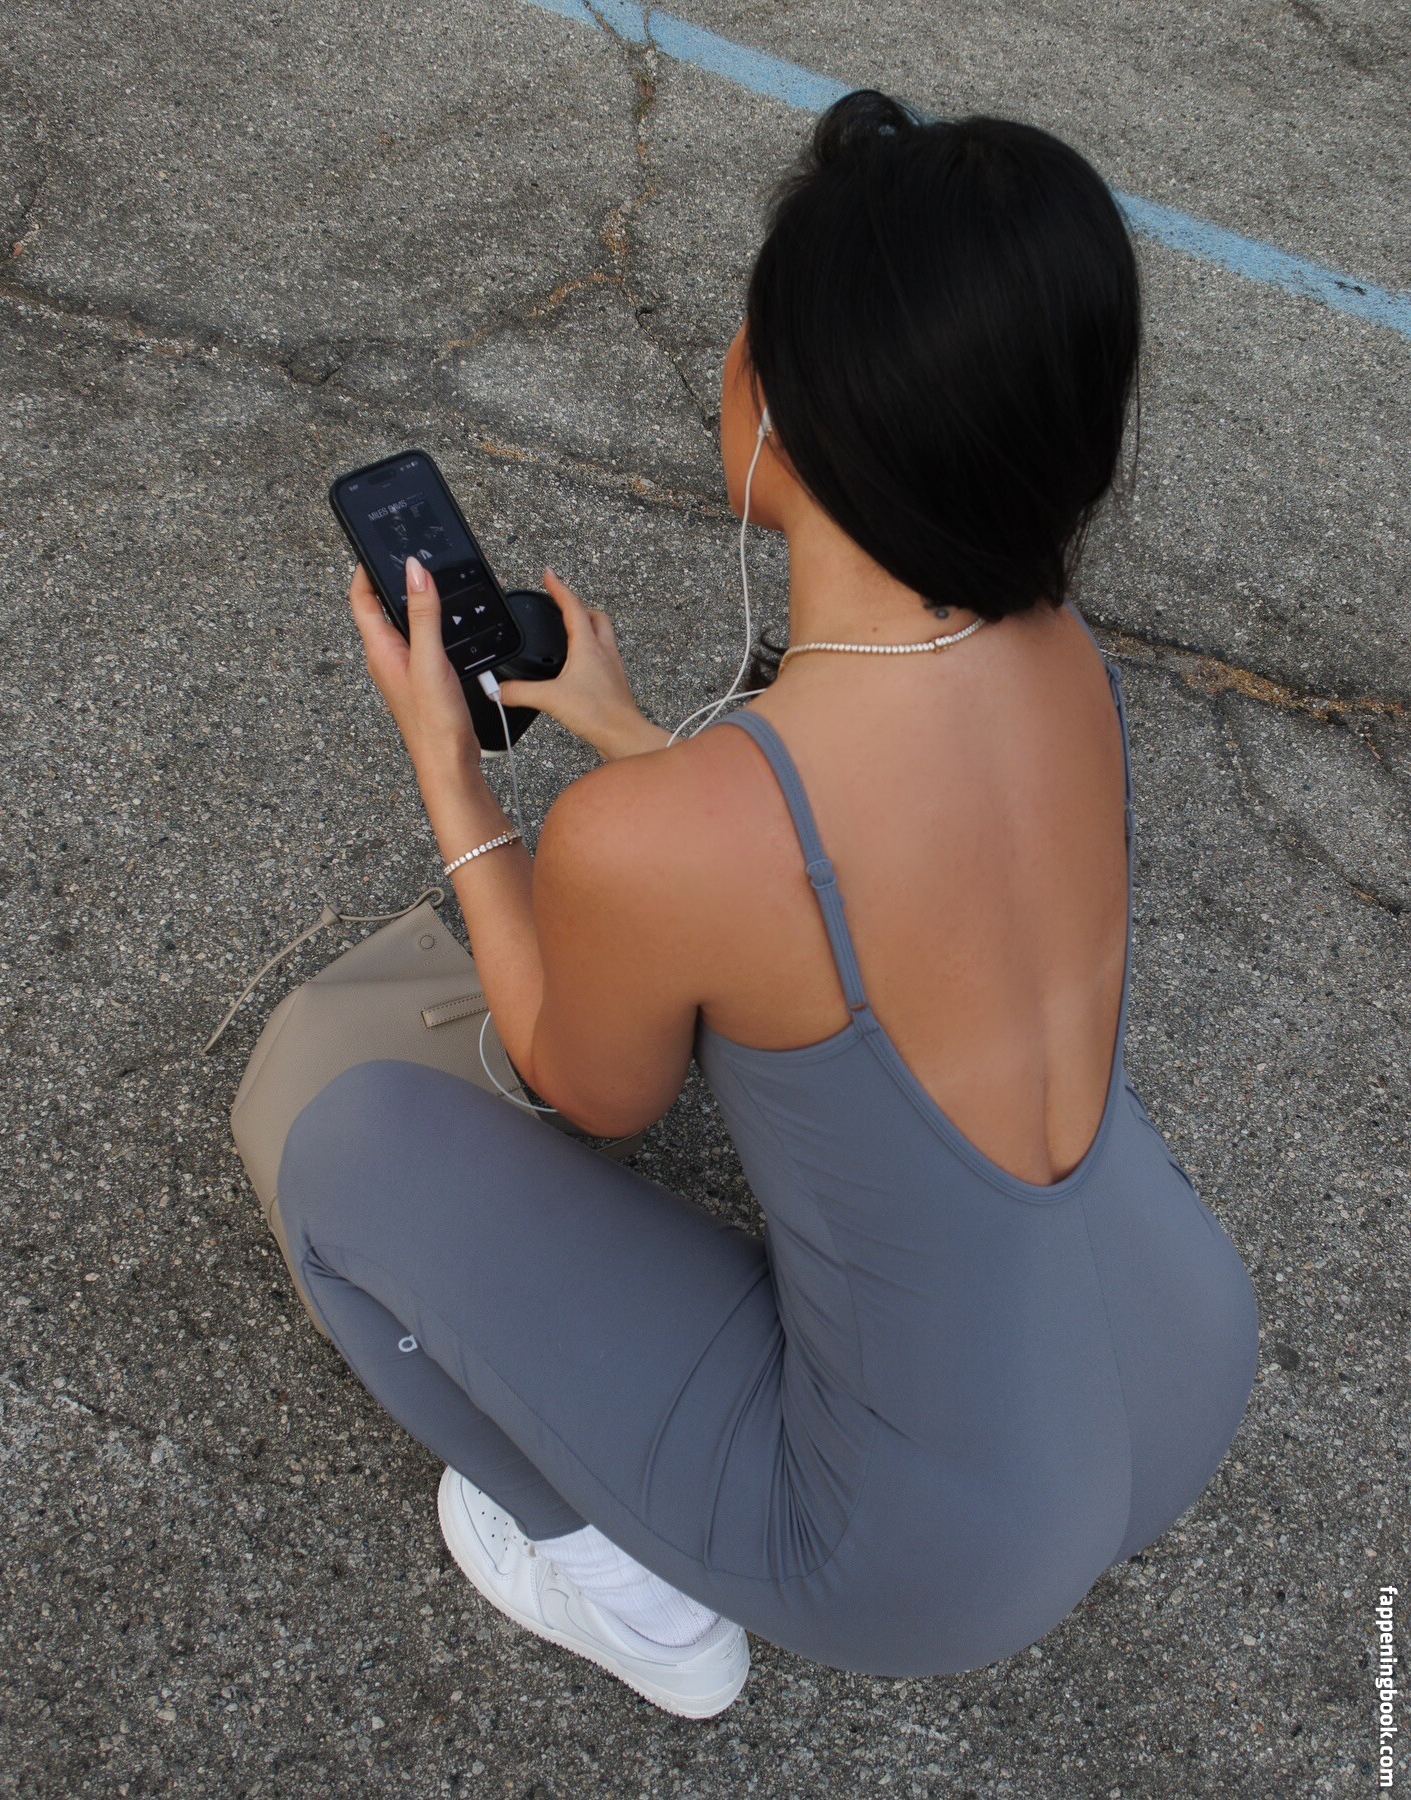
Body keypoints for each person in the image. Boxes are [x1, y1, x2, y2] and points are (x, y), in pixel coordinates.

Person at [276, 91, 1259, 1718]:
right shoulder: (1064, 662)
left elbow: (584, 1081)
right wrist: (636, 742)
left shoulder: (662, 842)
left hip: (925, 1550)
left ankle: (636, 1604)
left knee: (348, 1155)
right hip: (1173, 1354)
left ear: (780, 411)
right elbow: (856, 881)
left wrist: (453, 774)